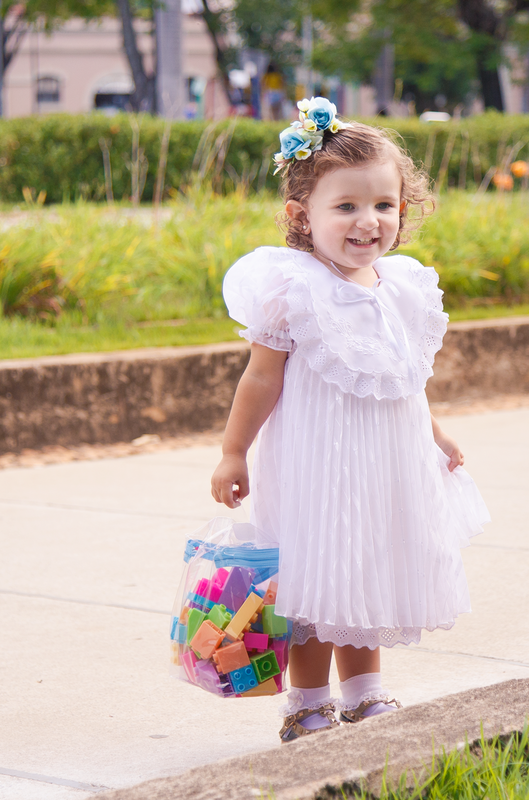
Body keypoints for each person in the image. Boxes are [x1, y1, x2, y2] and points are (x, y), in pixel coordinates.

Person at [210, 97, 489, 742]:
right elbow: (260, 378)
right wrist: (232, 452)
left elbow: (401, 381)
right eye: (346, 207)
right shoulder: (292, 289)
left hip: (384, 463)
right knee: (317, 579)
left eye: (384, 206)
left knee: (368, 571)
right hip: (316, 465)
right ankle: (307, 704)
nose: (368, 222)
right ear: (300, 215)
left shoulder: (401, 288)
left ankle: (365, 694)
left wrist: (435, 434)